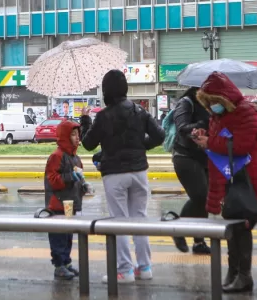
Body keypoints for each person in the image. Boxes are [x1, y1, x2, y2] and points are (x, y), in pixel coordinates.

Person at [79, 69, 165, 283]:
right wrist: (141, 147)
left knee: (118, 221)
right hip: (139, 172)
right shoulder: (139, 111)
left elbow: (88, 144)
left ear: (106, 90)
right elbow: (160, 135)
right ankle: (145, 268)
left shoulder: (103, 115)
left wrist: (85, 121)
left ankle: (125, 270)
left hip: (114, 174)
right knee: (140, 219)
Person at [192, 72, 257, 294]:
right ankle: (233, 271)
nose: (211, 106)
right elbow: (222, 141)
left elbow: (241, 145)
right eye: (207, 102)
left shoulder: (245, 112)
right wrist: (204, 138)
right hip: (226, 178)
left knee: (242, 228)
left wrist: (211, 141)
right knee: (231, 229)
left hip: (243, 178)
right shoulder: (218, 116)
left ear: (223, 97)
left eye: (214, 101)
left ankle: (244, 275)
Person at [44, 120, 87, 280]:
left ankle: (67, 262)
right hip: (57, 203)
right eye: (73, 135)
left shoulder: (75, 157)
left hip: (70, 203)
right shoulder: (57, 156)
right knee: (58, 237)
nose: (77, 138)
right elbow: (52, 180)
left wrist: (84, 185)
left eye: (78, 134)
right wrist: (70, 177)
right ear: (64, 137)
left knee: (68, 236)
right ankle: (59, 265)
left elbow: (79, 178)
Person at [171, 87, 211, 254]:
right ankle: (177, 228)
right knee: (200, 195)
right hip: (185, 156)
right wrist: (202, 124)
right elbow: (182, 127)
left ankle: (198, 241)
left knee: (206, 200)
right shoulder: (186, 103)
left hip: (205, 156)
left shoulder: (210, 105)